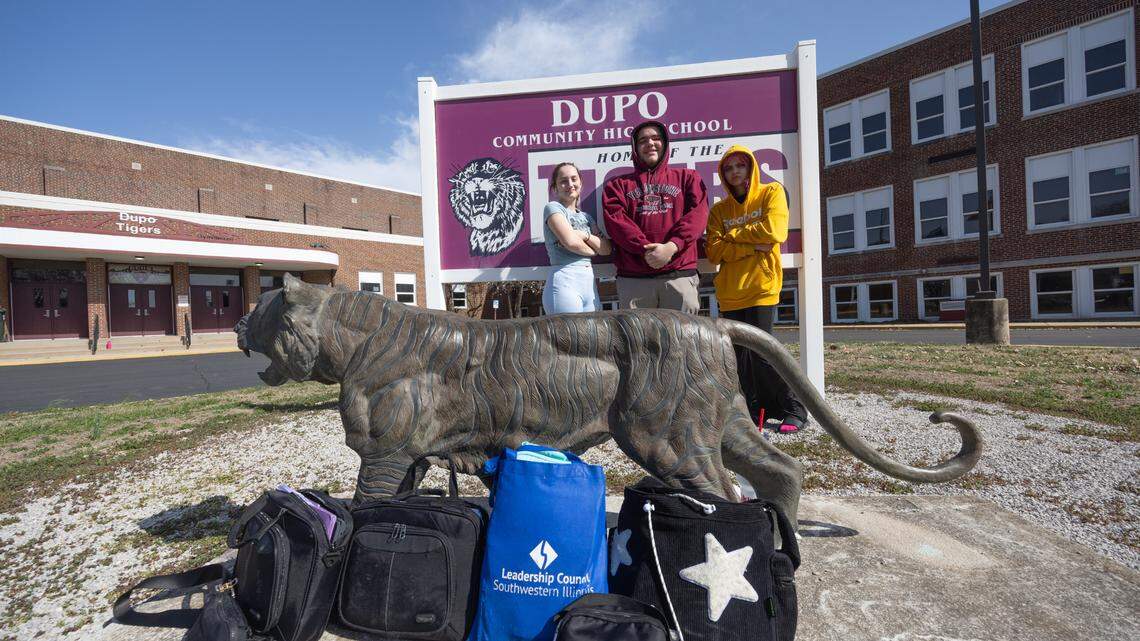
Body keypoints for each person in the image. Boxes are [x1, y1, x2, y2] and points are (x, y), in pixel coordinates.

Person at [705, 145, 808, 433]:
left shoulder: (770, 194)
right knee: (738, 357)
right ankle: (751, 411)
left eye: (740, 165)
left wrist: (733, 237)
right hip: (731, 291)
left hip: (762, 285)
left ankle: (794, 408)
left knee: (764, 353)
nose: (735, 171)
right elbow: (713, 251)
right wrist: (750, 245)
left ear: (751, 167)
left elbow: (775, 231)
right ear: (723, 175)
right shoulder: (719, 210)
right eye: (728, 168)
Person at [602, 121, 708, 312]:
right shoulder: (617, 186)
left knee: (682, 341)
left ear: (665, 144)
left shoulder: (688, 178)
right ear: (635, 148)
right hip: (634, 280)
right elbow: (617, 222)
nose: (650, 143)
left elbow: (698, 216)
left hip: (679, 276)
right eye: (643, 140)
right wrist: (647, 250)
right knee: (638, 342)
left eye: (656, 138)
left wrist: (671, 246)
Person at [542, 162, 610, 314]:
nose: (570, 184)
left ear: (580, 182)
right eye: (563, 181)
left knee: (590, 337)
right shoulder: (553, 208)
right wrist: (593, 250)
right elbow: (571, 243)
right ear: (555, 187)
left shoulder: (587, 217)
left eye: (574, 179)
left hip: (588, 283)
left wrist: (584, 235)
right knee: (566, 337)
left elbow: (606, 249)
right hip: (564, 280)